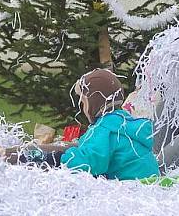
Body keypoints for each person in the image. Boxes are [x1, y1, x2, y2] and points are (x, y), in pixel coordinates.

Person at [11, 69, 159, 181]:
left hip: (131, 188)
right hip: (149, 183)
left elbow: (89, 163)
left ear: (94, 102)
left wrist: (59, 158)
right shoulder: (125, 122)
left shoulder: (105, 128)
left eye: (83, 101)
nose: (82, 107)